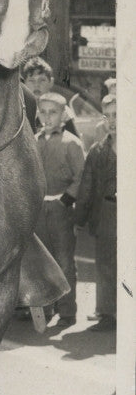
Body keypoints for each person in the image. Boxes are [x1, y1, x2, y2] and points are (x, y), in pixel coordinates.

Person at [33, 91, 86, 328]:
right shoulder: (33, 141)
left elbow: (81, 177)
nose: (47, 117)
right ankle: (46, 308)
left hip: (60, 209)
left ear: (63, 114)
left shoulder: (71, 143)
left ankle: (67, 310)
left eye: (52, 112)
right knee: (42, 261)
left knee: (64, 260)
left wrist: (65, 200)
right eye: (42, 112)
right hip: (38, 210)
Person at [75, 94, 117, 331]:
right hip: (107, 212)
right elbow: (87, 186)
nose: (112, 121)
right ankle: (108, 312)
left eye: (117, 115)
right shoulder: (98, 150)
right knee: (105, 263)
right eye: (107, 115)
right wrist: (80, 218)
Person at [21, 56, 79, 136]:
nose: (37, 85)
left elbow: (74, 142)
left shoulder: (61, 110)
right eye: (31, 80)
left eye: (42, 80)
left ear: (51, 82)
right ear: (24, 84)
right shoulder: (20, 110)